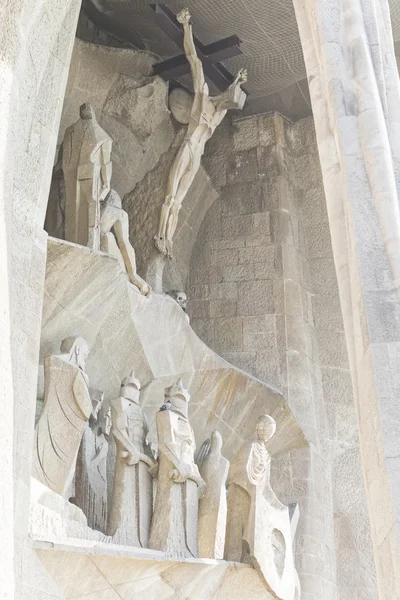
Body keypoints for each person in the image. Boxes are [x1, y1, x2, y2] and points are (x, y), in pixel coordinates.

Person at [154, 7, 247, 259]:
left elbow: (229, 100)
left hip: (196, 156)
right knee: (170, 195)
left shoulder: (217, 116)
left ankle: (168, 241)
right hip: (187, 147)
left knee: (179, 201)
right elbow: (193, 59)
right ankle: (160, 235)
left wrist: (236, 84)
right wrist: (186, 26)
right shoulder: (203, 97)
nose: (227, 103)